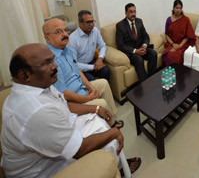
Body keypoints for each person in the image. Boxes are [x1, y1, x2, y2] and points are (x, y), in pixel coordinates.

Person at [1, 43, 141, 178]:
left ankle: (117, 165)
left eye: (53, 60)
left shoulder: (40, 85)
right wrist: (114, 132)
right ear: (25, 75)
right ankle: (115, 166)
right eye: (47, 63)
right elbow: (78, 150)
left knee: (99, 120)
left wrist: (95, 108)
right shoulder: (35, 111)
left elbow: (63, 104)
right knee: (110, 141)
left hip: (61, 131)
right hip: (45, 170)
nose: (55, 65)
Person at [43, 18, 122, 128]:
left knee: (103, 82)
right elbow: (63, 93)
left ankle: (111, 120)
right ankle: (107, 127)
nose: (65, 34)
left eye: (65, 30)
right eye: (58, 32)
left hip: (81, 88)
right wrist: (87, 99)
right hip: (73, 101)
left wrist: (90, 87)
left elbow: (77, 70)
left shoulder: (66, 49)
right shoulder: (50, 60)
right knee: (102, 103)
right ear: (48, 38)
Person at [116, 3, 157, 82]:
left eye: (134, 11)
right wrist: (135, 51)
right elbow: (120, 45)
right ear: (126, 13)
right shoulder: (120, 26)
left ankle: (152, 79)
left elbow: (145, 36)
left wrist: (144, 46)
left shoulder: (139, 21)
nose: (133, 14)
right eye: (131, 12)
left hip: (141, 48)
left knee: (153, 53)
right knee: (139, 60)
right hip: (131, 53)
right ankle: (145, 83)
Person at [69, 10, 110, 82]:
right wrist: (93, 67)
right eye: (88, 22)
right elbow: (73, 64)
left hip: (92, 61)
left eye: (92, 21)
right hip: (80, 68)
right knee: (93, 82)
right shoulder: (72, 39)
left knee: (106, 71)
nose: (91, 24)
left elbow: (103, 46)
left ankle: (106, 92)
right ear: (80, 23)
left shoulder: (95, 31)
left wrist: (100, 59)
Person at [162, 0, 196, 66]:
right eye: (177, 8)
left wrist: (179, 46)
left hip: (183, 44)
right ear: (173, 8)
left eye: (180, 8)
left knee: (176, 57)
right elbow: (166, 34)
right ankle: (169, 74)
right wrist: (173, 44)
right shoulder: (169, 20)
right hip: (172, 43)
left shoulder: (186, 19)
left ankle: (178, 74)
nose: (178, 10)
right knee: (167, 55)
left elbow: (188, 36)